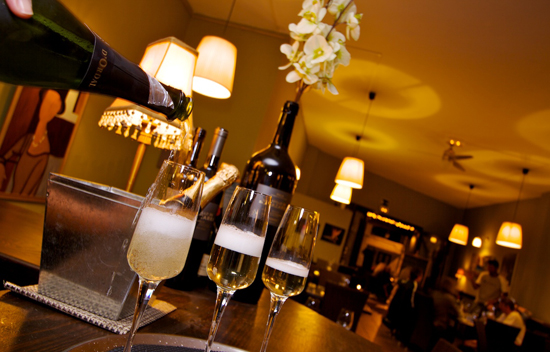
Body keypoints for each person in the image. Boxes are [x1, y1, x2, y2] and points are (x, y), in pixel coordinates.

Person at [384, 266, 423, 344]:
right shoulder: (414, 284)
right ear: (418, 277)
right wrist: (413, 308)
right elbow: (411, 299)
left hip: (396, 308)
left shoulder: (402, 282)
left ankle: (395, 329)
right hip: (405, 309)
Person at [431, 277, 462, 346]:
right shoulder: (449, 298)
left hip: (430, 323)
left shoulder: (434, 293)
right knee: (454, 335)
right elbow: (459, 314)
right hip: (440, 325)